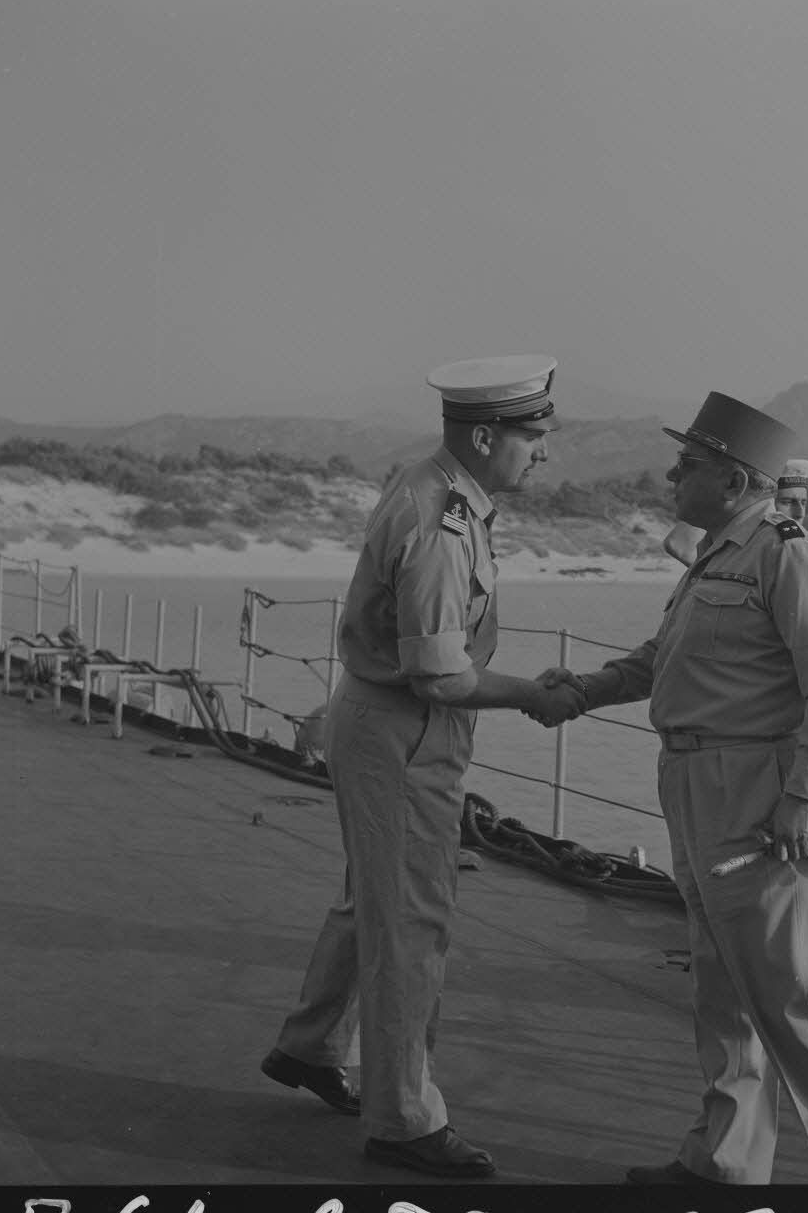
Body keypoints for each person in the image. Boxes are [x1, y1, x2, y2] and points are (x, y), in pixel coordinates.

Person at [534, 393, 808, 1186]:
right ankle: (726, 1162)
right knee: (723, 986)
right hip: (697, 784)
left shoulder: (788, 554)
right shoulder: (715, 555)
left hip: (761, 791)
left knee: (791, 996)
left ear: (736, 481)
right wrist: (584, 689)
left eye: (688, 464)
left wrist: (806, 795)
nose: (671, 476)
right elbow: (664, 659)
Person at [261, 355, 585, 1180]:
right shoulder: (441, 521)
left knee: (372, 897)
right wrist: (533, 695)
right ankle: (403, 1120)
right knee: (411, 921)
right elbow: (439, 674)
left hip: (383, 722)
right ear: (483, 438)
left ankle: (311, 1044)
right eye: (532, 437)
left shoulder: (430, 485)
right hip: (406, 732)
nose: (542, 452)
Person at [662, 457, 808, 567]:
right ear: (762, 503)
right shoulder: (744, 554)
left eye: (803, 502)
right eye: (787, 502)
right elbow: (678, 544)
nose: (800, 513)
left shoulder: (800, 552)